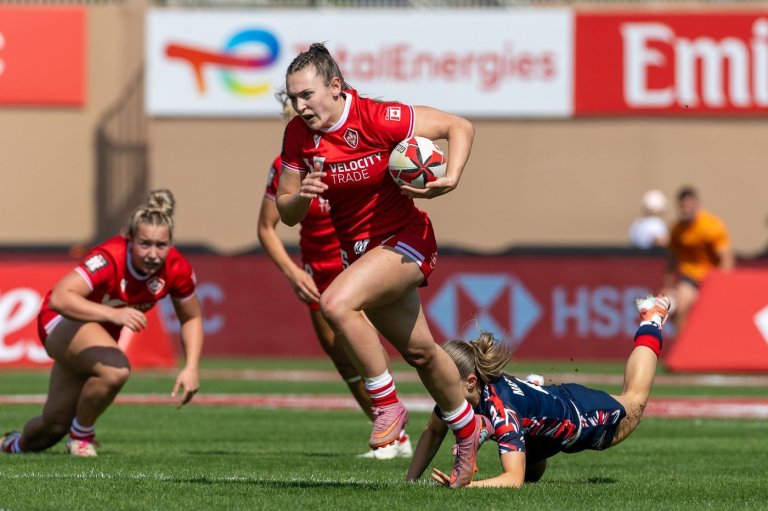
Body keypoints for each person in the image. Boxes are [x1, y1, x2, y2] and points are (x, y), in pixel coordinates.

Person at [275, 43, 483, 487]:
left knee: (335, 304)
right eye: (294, 97)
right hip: (363, 254)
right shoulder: (297, 136)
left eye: (307, 95)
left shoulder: (377, 116)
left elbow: (458, 126)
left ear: (335, 86)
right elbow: (286, 212)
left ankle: (386, 403)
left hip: (407, 240)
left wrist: (452, 177)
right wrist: (301, 195)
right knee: (423, 353)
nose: (300, 105)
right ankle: (468, 431)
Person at [258, 93, 411, 459]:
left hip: (357, 264)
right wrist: (293, 273)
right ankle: (394, 439)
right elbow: (266, 228)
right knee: (343, 360)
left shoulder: (351, 153)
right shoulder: (285, 168)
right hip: (316, 273)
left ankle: (473, 405)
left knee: (403, 348)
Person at [1, 189, 203, 457]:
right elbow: (60, 298)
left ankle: (10, 444)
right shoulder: (110, 258)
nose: (153, 254)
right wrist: (113, 314)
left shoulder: (177, 269)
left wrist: (191, 368)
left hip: (96, 335)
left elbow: (191, 317)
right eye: (145, 244)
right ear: (129, 239)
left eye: (161, 245)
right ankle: (82, 438)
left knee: (53, 424)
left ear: (170, 243)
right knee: (116, 370)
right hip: (60, 322)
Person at [406, 295, 671, 488]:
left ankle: (652, 319)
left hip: (581, 415)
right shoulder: (456, 395)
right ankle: (500, 418)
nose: (436, 386)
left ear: (471, 382)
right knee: (534, 473)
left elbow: (513, 480)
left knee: (634, 400)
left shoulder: (502, 410)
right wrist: (410, 483)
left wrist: (466, 486)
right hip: (540, 428)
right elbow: (433, 431)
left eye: (443, 380)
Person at [663, 186, 733, 332]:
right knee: (680, 307)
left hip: (712, 279)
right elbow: (671, 260)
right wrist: (667, 285)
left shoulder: (711, 225)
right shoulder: (677, 229)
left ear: (696, 204)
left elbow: (725, 257)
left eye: (690, 205)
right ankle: (682, 347)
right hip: (690, 278)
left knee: (713, 317)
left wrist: (724, 284)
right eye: (683, 206)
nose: (687, 209)